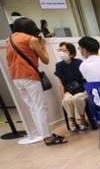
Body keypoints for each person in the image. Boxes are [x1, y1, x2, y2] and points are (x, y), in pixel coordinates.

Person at [6, 17, 66, 145]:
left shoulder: (9, 40)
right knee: (40, 107)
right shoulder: (31, 39)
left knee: (33, 107)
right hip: (29, 76)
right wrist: (43, 46)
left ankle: (43, 134)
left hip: (16, 78)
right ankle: (48, 137)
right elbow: (45, 60)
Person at [54, 42, 89, 132]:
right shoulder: (59, 66)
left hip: (81, 89)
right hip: (68, 90)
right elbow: (61, 84)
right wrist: (62, 96)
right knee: (66, 100)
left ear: (71, 52)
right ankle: (72, 121)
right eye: (60, 50)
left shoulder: (79, 62)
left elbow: (85, 78)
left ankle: (82, 120)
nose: (62, 53)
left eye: (64, 50)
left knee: (77, 98)